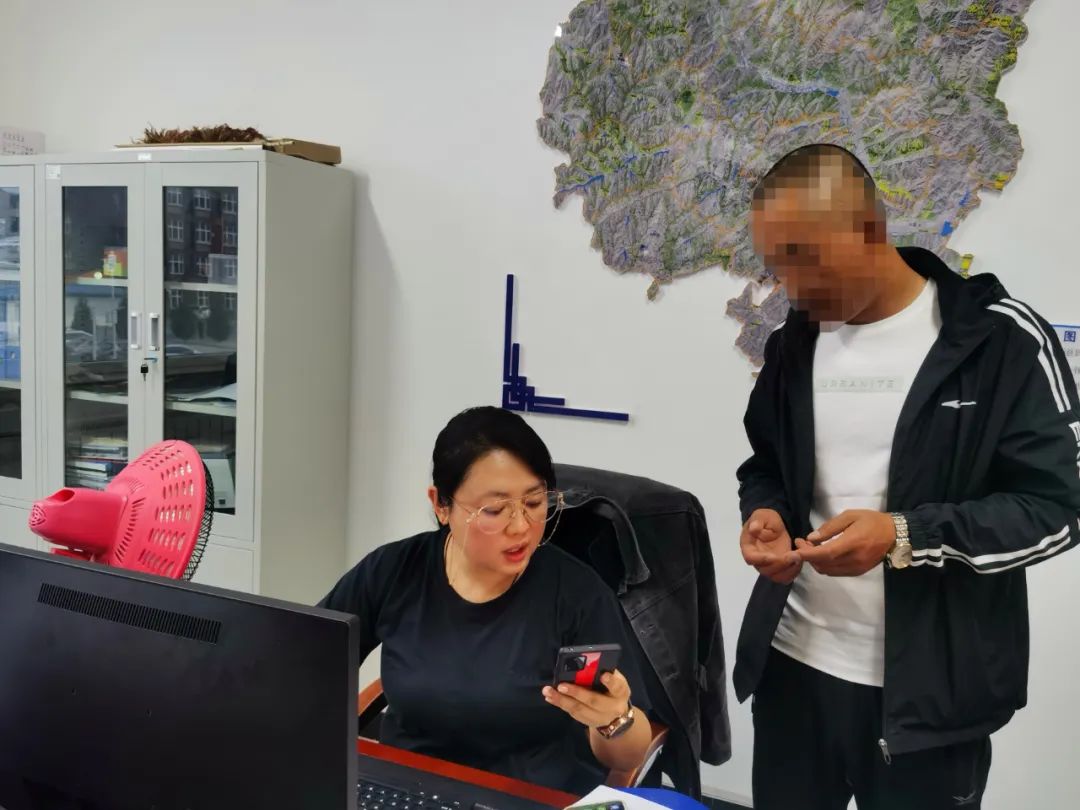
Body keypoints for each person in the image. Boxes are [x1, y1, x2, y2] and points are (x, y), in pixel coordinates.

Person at [734, 144, 1080, 810]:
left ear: (871, 228)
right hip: (792, 670)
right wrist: (766, 512)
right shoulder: (795, 342)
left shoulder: (1000, 341)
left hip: (929, 704)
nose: (793, 288)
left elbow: (1059, 508)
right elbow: (766, 462)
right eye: (778, 266)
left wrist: (904, 536)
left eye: (806, 259)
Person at [319, 406, 652, 795]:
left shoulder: (577, 593)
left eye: (535, 503)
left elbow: (628, 756)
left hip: (526, 798)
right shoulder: (394, 570)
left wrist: (614, 719)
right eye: (494, 510)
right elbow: (307, 657)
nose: (521, 526)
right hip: (408, 790)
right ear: (441, 505)